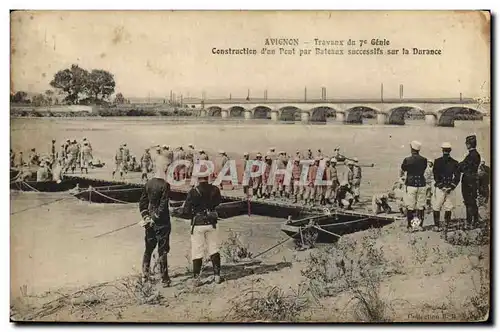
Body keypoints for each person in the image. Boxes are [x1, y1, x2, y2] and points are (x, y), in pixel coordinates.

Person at [181, 171, 223, 286]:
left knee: (197, 250)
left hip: (198, 223)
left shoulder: (193, 192)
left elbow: (186, 211)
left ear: (198, 178)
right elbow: (218, 202)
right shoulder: (215, 189)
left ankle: (196, 278)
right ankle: (217, 276)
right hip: (212, 222)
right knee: (214, 248)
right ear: (208, 177)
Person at [138, 157, 172, 287]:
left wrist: (146, 216)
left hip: (149, 221)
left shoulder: (149, 183)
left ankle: (144, 277)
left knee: (148, 249)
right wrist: (155, 218)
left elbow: (142, 203)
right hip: (162, 222)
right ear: (164, 169)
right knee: (162, 250)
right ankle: (164, 279)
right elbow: (163, 206)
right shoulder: (165, 185)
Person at [432, 142, 461, 232]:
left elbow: (435, 175)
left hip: (440, 188)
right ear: (450, 151)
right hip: (449, 188)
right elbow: (457, 177)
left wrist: (441, 186)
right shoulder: (455, 162)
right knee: (448, 207)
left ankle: (436, 226)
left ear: (442, 150)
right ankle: (446, 226)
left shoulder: (437, 161)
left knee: (437, 206)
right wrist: (451, 187)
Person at [400, 141, 428, 231]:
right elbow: (424, 168)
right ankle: (419, 225)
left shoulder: (407, 160)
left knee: (410, 206)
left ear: (412, 149)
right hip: (421, 183)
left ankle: (410, 226)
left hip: (411, 184)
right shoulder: (424, 159)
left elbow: (403, 168)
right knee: (420, 206)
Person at [458, 134, 481, 229]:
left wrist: (459, 166)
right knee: (472, 201)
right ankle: (475, 220)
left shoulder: (470, 156)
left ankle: (469, 222)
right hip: (474, 179)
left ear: (468, 144)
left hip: (467, 180)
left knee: (468, 201)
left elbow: (463, 167)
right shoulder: (476, 155)